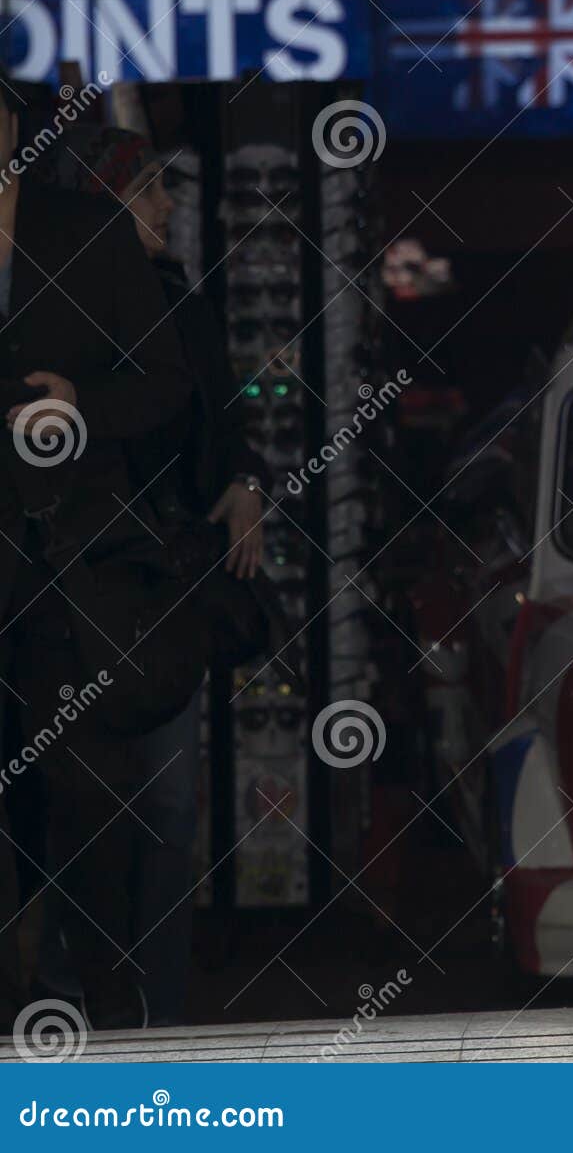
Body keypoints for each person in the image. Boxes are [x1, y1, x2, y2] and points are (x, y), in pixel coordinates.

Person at [62, 127, 272, 1026]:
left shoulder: (177, 300)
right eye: (147, 189)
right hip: (71, 587)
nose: (166, 205)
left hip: (165, 583)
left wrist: (246, 484)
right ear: (105, 204)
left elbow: (222, 418)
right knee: (81, 802)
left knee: (168, 800)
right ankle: (81, 1001)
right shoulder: (57, 305)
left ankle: (159, 1010)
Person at [0, 86, 191, 1031]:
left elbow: (167, 384)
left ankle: (112, 1014)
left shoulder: (82, 232)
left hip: (73, 569)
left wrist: (82, 405)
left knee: (92, 800)